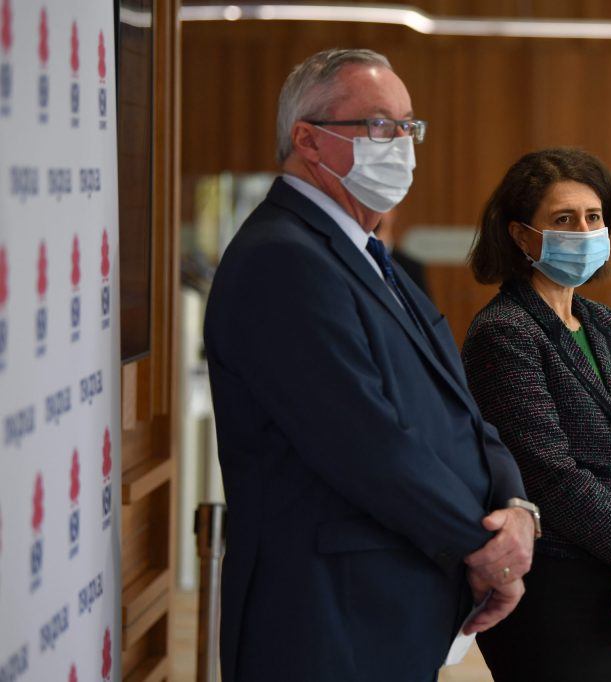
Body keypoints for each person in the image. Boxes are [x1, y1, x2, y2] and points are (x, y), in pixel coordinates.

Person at [203, 48, 538, 682]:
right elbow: (364, 441)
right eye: (380, 125)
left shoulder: (368, 256)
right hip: (327, 617)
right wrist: (484, 548)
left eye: (410, 126)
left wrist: (518, 506)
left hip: (388, 600)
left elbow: (458, 408)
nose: (403, 144)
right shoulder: (283, 259)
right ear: (309, 140)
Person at [460, 147, 611, 681]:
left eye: (594, 217)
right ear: (522, 236)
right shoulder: (504, 331)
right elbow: (548, 475)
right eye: (564, 219)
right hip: (550, 581)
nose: (585, 231)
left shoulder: (599, 322)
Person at [375, 208, 431, 299]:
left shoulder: (411, 267)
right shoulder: (357, 259)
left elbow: (423, 305)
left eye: (383, 207)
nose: (376, 211)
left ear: (392, 213)